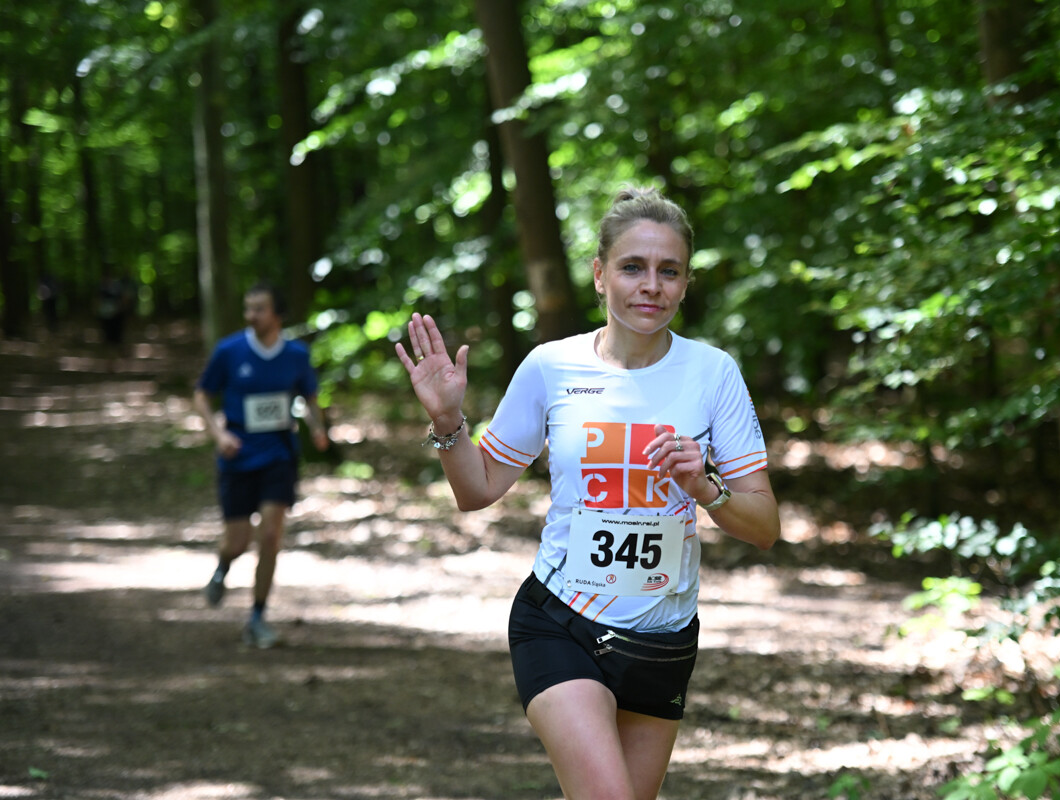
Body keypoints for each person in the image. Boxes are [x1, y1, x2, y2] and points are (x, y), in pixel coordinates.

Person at [396, 187, 780, 799]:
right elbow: (478, 490)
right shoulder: (550, 367)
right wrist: (448, 423)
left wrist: (706, 488)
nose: (650, 285)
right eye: (632, 267)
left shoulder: (713, 374)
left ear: (685, 283)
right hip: (560, 623)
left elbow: (764, 527)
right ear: (600, 275)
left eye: (668, 271)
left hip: (662, 639)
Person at [194, 282, 328, 648]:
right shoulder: (229, 351)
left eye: (258, 308)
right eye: (247, 308)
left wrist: (317, 429)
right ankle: (223, 567)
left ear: (277, 314)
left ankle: (256, 617)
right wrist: (218, 435)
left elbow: (309, 396)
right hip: (238, 456)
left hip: (279, 455)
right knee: (237, 541)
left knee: (270, 535)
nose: (250, 315)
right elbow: (202, 394)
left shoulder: (296, 355)